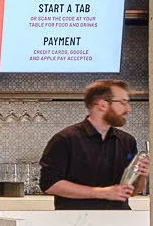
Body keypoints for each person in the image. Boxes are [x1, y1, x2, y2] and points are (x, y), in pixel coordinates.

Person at [40, 80, 144, 210]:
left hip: (119, 219)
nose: (128, 109)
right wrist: (101, 193)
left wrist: (143, 174)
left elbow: (132, 191)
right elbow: (49, 184)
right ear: (102, 104)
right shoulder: (65, 139)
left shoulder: (127, 141)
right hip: (76, 220)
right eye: (123, 102)